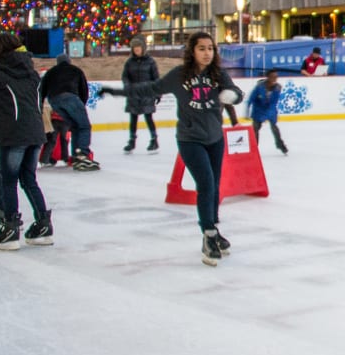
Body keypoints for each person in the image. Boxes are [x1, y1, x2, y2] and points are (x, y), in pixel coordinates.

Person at [101, 32, 244, 266]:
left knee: (215, 187)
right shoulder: (179, 76)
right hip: (190, 140)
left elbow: (237, 92)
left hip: (215, 138)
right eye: (202, 48)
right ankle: (208, 234)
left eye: (210, 48)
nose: (207, 53)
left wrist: (233, 95)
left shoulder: (219, 74)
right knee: (206, 183)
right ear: (192, 51)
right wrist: (116, 91)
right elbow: (149, 88)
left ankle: (213, 229)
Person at [0, 33, 53, 251]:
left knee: (8, 180)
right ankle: (43, 225)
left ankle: (10, 230)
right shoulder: (32, 73)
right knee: (29, 179)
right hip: (36, 132)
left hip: (13, 133)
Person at [40, 53, 99, 171]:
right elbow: (84, 90)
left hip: (55, 101)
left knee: (75, 127)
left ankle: (76, 155)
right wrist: (81, 104)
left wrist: (41, 105)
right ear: (69, 61)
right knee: (84, 126)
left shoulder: (51, 72)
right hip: (71, 97)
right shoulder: (75, 70)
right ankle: (82, 154)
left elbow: (42, 90)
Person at [122, 35, 160, 154]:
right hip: (134, 93)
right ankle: (132, 140)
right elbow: (125, 76)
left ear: (143, 48)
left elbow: (156, 78)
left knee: (148, 116)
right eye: (134, 48)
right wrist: (128, 86)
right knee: (133, 118)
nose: (136, 50)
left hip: (147, 93)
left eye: (138, 47)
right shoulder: (129, 62)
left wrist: (157, 93)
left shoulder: (150, 62)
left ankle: (154, 140)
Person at [247, 69, 289, 154]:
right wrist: (246, 113)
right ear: (268, 77)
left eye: (276, 77)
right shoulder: (259, 87)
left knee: (275, 128)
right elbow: (250, 100)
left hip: (270, 110)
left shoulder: (277, 88)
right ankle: (254, 148)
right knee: (255, 129)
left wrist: (268, 114)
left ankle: (280, 145)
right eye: (273, 77)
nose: (275, 79)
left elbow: (274, 103)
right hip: (258, 111)